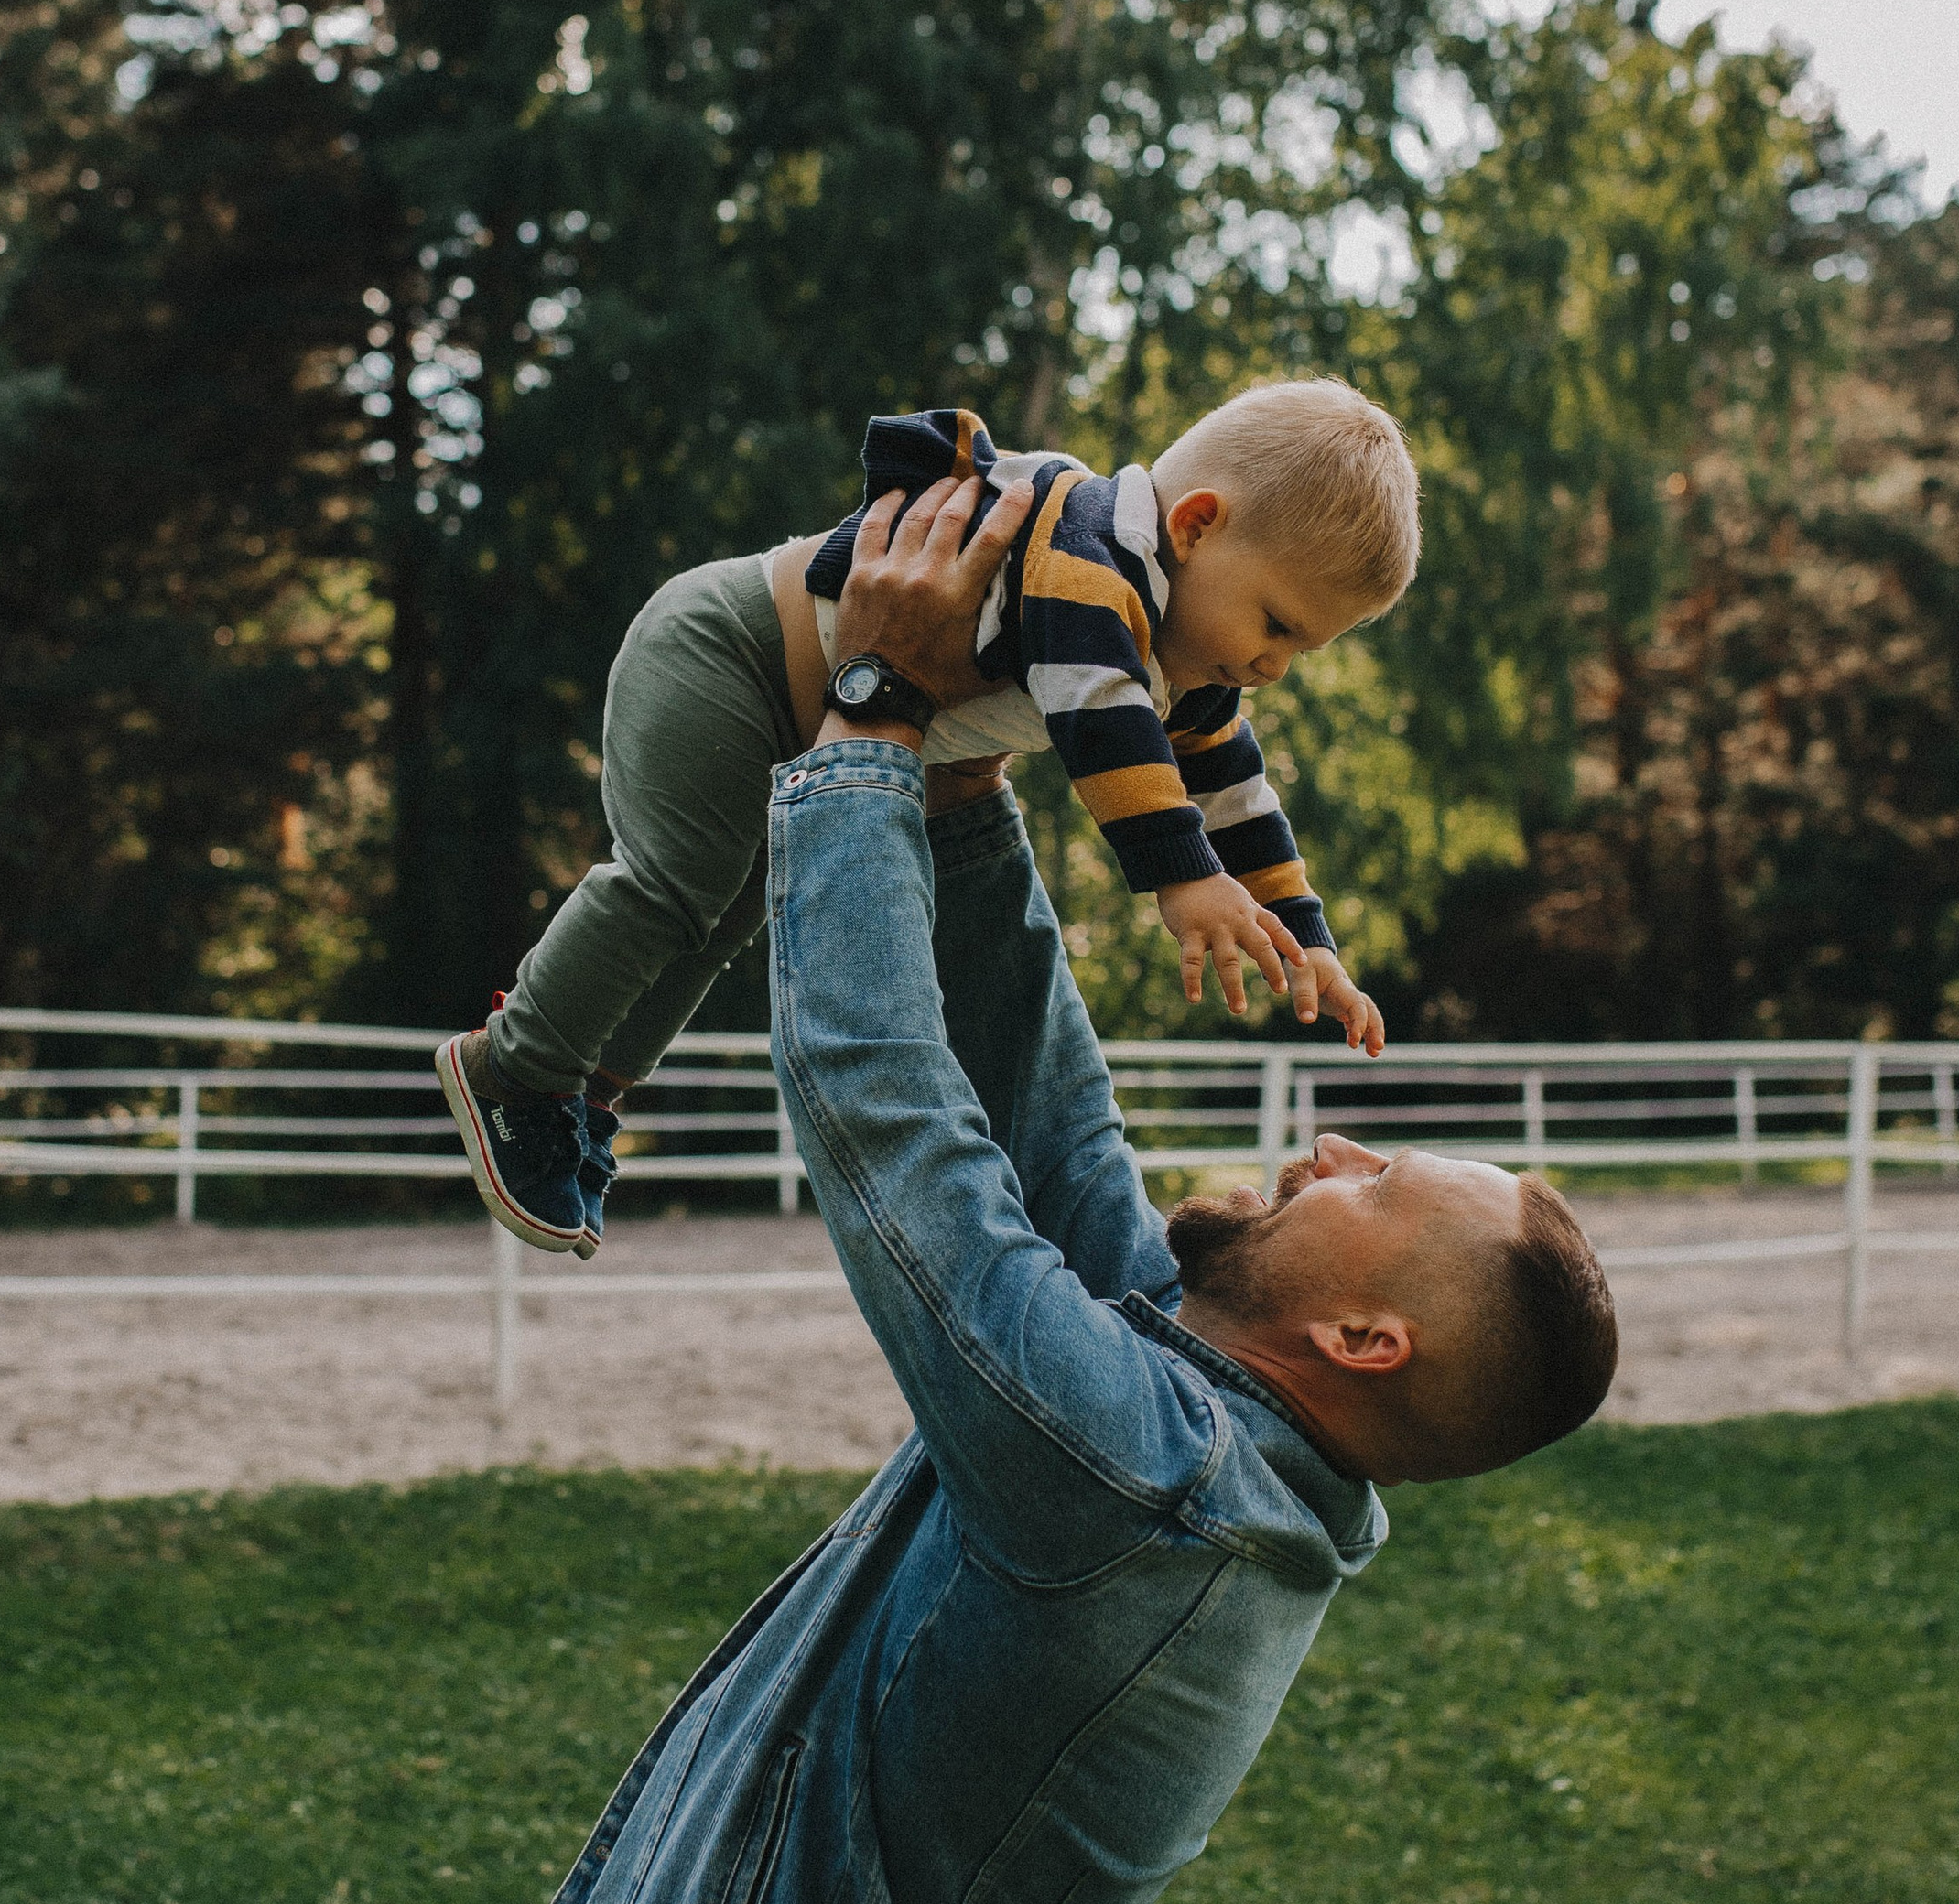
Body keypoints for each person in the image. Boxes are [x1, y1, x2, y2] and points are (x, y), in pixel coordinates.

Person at [499, 473, 1620, 1904]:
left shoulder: (1140, 1478)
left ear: (1363, 1335)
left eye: (1375, 1178)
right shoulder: (1213, 1432)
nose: (1329, 1137)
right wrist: (959, 759)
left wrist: (855, 726)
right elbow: (1038, 1101)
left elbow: (891, 1122)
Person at [437, 376, 1419, 1257]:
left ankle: (585, 1093)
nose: (1273, 666)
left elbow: (1237, 791)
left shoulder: (1183, 659)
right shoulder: (1089, 556)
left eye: (1303, 649)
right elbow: (1099, 713)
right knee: (674, 887)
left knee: (720, 918)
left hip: (792, 721)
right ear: (1197, 525)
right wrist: (1182, 876)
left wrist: (1305, 936)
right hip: (727, 658)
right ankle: (512, 1068)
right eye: (1276, 623)